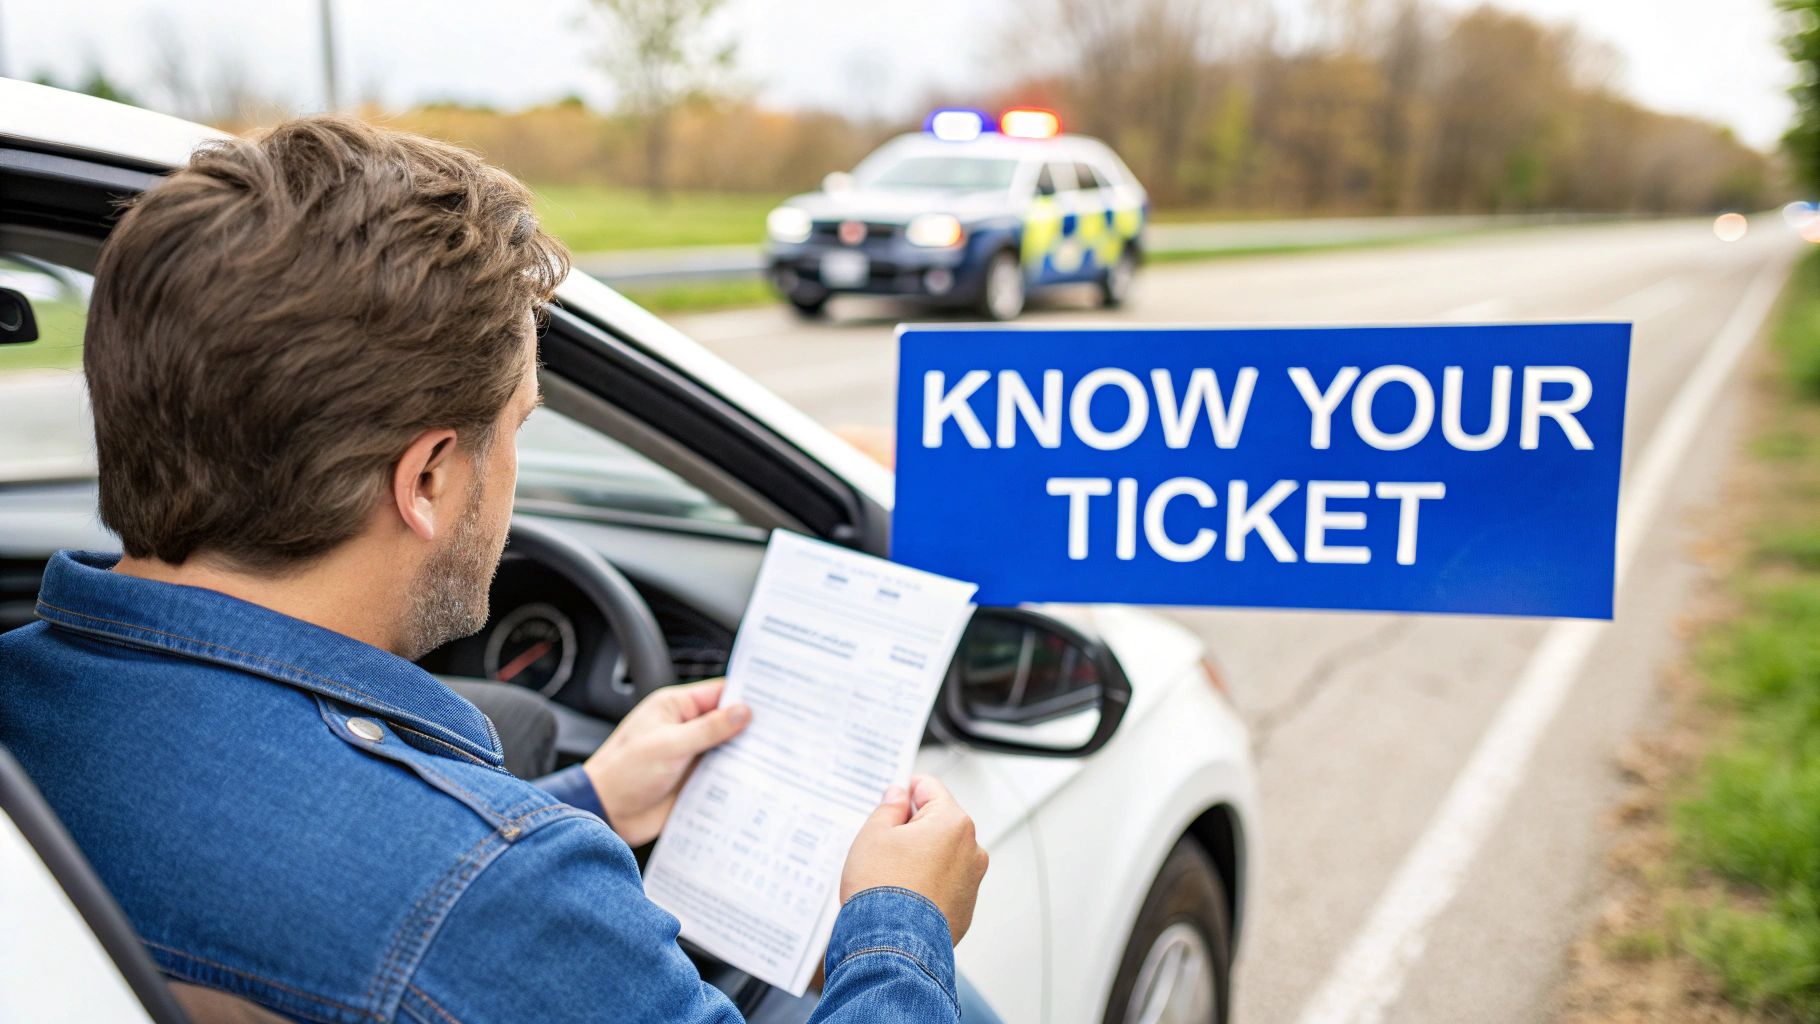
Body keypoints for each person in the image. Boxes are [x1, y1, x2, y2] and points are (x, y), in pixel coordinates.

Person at [0, 116, 989, 1023]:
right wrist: (900, 923)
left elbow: (346, 880)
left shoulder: (21, 705)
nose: (512, 467)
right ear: (427, 477)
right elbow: (428, 899)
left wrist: (591, 796)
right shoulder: (501, 890)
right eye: (515, 426)